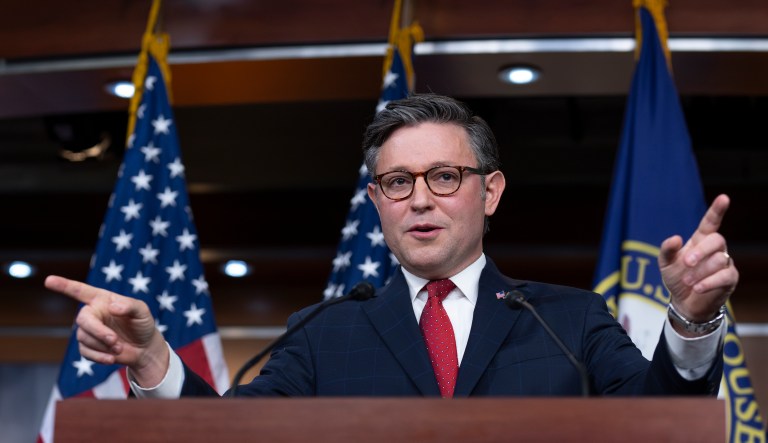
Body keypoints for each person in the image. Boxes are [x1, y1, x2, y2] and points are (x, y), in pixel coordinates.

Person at [45, 94, 737, 398]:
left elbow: (660, 417)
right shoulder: (322, 333)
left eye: (445, 176)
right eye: (398, 182)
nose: (421, 199)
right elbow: (226, 434)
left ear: (490, 192)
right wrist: (153, 359)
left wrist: (689, 319)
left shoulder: (570, 320)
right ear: (377, 202)